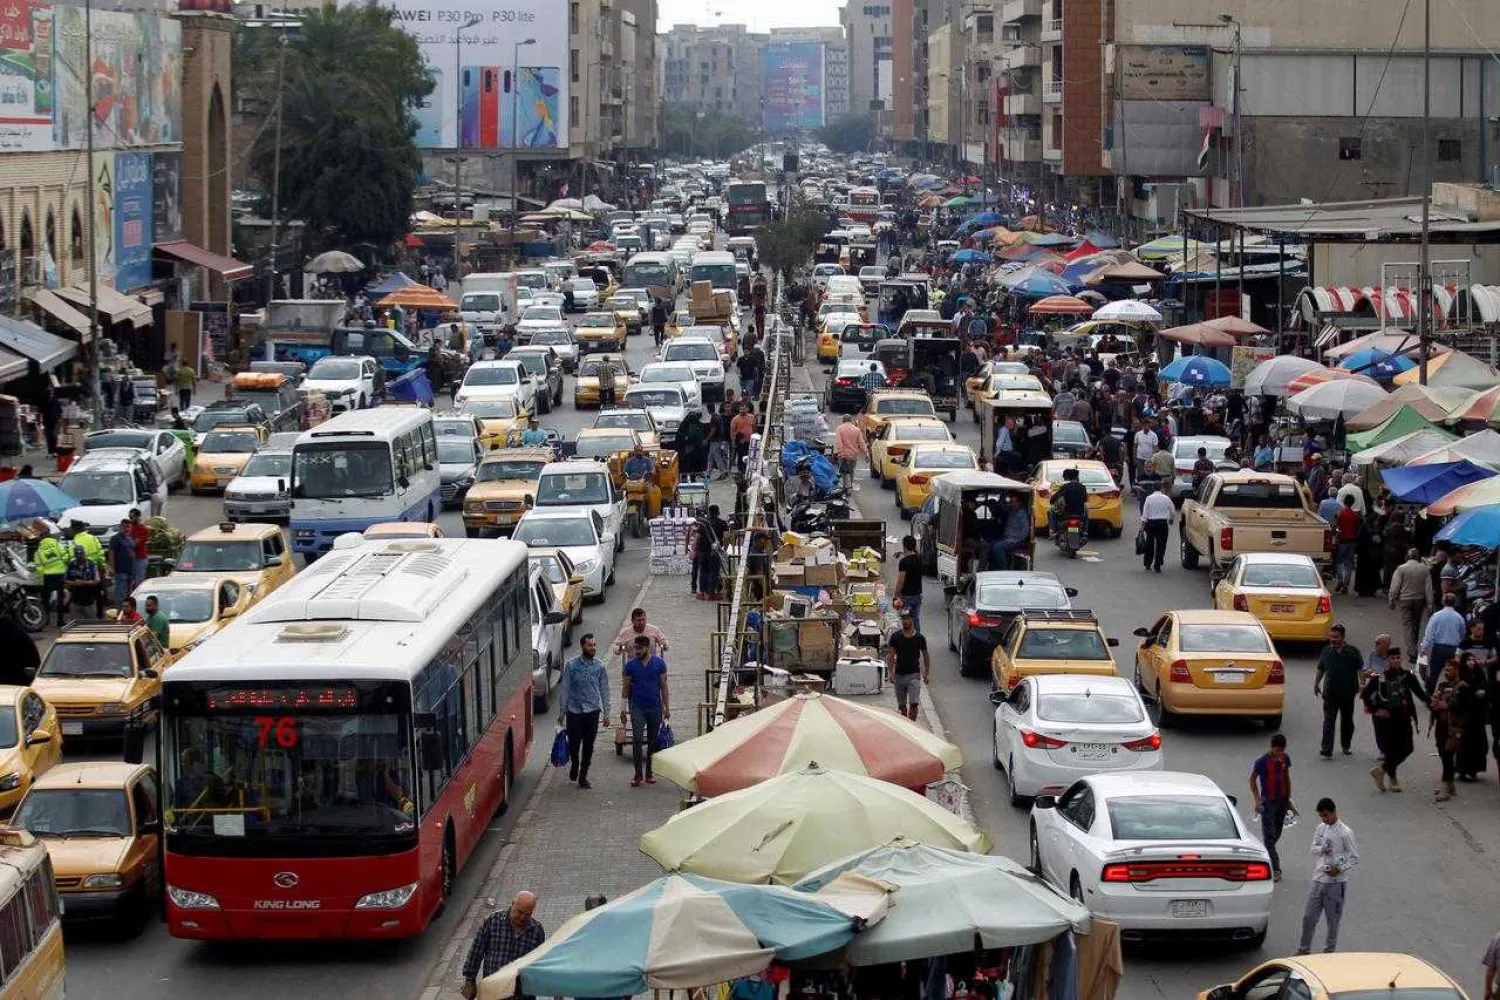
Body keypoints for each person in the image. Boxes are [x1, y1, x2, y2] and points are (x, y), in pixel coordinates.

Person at [1296, 797, 1358, 955]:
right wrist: (1322, 849)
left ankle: (1329, 952)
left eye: (1326, 815)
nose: (1324, 819)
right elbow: (1313, 848)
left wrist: (1339, 869)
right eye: (1321, 816)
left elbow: (1354, 857)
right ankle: (1304, 949)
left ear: (1333, 812)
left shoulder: (1345, 833)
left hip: (1335, 883)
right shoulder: (1321, 828)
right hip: (1318, 879)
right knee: (1309, 917)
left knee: (1333, 921)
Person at [1362, 646, 1428, 792]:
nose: (1396, 661)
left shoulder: (1407, 676)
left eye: (1398, 658)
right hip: (1387, 720)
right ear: (1387, 660)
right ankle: (1392, 779)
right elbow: (1365, 695)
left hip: (1404, 717)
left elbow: (1419, 693)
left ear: (1401, 659)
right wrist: (1376, 710)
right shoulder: (1380, 678)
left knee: (1408, 748)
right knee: (1391, 749)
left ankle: (1382, 770)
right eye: (1392, 658)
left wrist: (1432, 703)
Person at [460, 891, 545, 1000]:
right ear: (512, 903)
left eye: (528, 914)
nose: (522, 917)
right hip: (493, 991)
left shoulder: (537, 930)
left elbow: (539, 963)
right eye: (519, 912)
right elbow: (476, 952)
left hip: (521, 994)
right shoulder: (492, 921)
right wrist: (469, 980)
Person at [557, 634, 610, 789]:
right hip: (574, 711)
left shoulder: (599, 667)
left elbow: (604, 690)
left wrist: (607, 712)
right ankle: (574, 764)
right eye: (589, 645)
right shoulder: (571, 665)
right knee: (574, 743)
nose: (593, 648)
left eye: (594, 645)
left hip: (592, 711)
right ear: (582, 646)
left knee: (588, 745)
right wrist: (562, 712)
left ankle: (583, 776)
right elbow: (565, 688)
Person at [620, 635, 669, 787]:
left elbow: (664, 687)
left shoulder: (659, 664)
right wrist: (623, 710)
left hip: (654, 706)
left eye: (640, 648)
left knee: (652, 741)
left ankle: (649, 772)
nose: (637, 651)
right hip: (637, 707)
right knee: (637, 739)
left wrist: (667, 707)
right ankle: (637, 774)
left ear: (648, 648)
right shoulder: (630, 666)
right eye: (635, 648)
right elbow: (626, 688)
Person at [1249, 733, 1296, 881]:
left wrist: (1288, 800)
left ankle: (1264, 854)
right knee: (1269, 837)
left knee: (1277, 832)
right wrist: (1257, 800)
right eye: (1277, 751)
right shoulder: (1262, 761)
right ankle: (1276, 868)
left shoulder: (1285, 759)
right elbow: (1252, 780)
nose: (1279, 754)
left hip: (1282, 801)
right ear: (1271, 747)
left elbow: (1287, 778)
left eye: (1281, 751)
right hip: (1268, 802)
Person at [1315, 624, 1363, 758]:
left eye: (1336, 637)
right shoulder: (1326, 651)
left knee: (1347, 721)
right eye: (1331, 637)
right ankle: (1326, 748)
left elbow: (1360, 669)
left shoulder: (1353, 651)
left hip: (1348, 693)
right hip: (1330, 692)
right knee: (1329, 721)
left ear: (1343, 637)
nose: (1333, 639)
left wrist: (1362, 684)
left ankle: (1346, 745)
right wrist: (1316, 683)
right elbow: (1321, 668)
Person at [1430, 656, 1470, 802]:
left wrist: (1445, 705)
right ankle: (1450, 783)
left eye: (1450, 670)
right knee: (1442, 753)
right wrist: (1434, 702)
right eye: (1445, 670)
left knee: (1447, 754)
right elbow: (1434, 702)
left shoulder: (1462, 686)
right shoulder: (1442, 685)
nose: (1447, 672)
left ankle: (1445, 786)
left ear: (1457, 671)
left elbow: (1462, 706)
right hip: (1441, 723)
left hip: (1454, 726)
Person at [1388, 548, 1433, 663]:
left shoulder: (1401, 568)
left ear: (1408, 556)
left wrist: (1391, 599)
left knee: (1407, 625)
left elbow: (1395, 585)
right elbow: (1428, 588)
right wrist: (1430, 604)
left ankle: (1412, 651)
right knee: (1416, 624)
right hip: (1419, 600)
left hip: (1405, 600)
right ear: (1418, 557)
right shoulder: (1425, 569)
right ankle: (1414, 647)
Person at [885, 609, 930, 722]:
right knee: (902, 706)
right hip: (899, 675)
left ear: (912, 620)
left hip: (914, 675)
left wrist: (926, 673)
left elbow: (925, 655)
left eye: (907, 618)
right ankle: (905, 725)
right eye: (903, 619)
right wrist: (891, 673)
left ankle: (913, 725)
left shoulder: (919, 638)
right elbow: (891, 655)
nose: (905, 621)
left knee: (914, 704)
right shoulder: (896, 637)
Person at [1422, 593, 1467, 695]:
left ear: (1443, 602)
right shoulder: (1459, 617)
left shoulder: (1436, 616)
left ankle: (1429, 694)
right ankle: (1452, 694)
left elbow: (1429, 634)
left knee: (1433, 673)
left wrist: (1424, 648)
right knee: (1453, 673)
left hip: (1438, 648)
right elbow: (1463, 633)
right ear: (1455, 603)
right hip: (1453, 650)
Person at [991, 492, 1032, 570]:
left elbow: (1025, 530)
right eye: (1011, 502)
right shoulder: (1011, 511)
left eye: (1015, 502)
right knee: (991, 543)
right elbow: (1001, 504)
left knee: (997, 547)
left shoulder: (1022, 514)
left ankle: (1004, 569)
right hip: (1007, 539)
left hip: (1017, 541)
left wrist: (1016, 540)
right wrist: (1003, 492)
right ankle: (994, 567)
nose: (1012, 504)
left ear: (1019, 502)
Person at [1140, 483, 1174, 573]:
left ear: (1153, 488)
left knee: (1149, 543)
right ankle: (1158, 564)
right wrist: (1171, 519)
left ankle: (1147, 563)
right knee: (1161, 544)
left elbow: (1145, 513)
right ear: (1162, 488)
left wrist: (1143, 524)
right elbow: (1172, 510)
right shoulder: (1166, 498)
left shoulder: (1149, 498)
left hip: (1151, 523)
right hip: (1162, 523)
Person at [1332, 494, 1361, 595]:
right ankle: (1346, 584)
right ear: (1352, 503)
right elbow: (1357, 529)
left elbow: (1335, 526)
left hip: (1341, 540)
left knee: (1339, 561)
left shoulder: (1340, 513)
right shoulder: (1355, 516)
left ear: (1344, 502)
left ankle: (1339, 580)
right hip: (1352, 541)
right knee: (1349, 563)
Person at [1049, 466, 1088, 539]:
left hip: (1066, 513)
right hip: (1079, 513)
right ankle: (1085, 530)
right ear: (1077, 477)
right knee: (1086, 509)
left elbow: (1053, 499)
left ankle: (1054, 530)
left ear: (1069, 478)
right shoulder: (1082, 487)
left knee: (1051, 510)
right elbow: (1085, 499)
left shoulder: (1066, 487)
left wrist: (1052, 501)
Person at [894, 536, 924, 631]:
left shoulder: (904, 562)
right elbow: (912, 556)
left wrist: (895, 595)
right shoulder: (919, 559)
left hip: (906, 597)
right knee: (915, 619)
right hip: (917, 596)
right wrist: (901, 553)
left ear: (905, 546)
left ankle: (907, 641)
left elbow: (901, 581)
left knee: (905, 620)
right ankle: (917, 640)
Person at [107, 520, 138, 608]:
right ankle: (120, 611)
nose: (127, 529)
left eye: (128, 527)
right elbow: (111, 553)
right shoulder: (115, 538)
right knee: (121, 593)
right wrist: (112, 568)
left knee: (129, 593)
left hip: (130, 570)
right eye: (125, 527)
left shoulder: (130, 538)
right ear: (121, 527)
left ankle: (128, 611)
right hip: (120, 570)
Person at [833, 415, 867, 489]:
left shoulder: (840, 429)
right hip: (853, 455)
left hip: (844, 455)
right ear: (851, 420)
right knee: (851, 471)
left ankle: (847, 487)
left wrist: (839, 452)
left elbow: (839, 442)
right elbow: (861, 442)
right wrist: (866, 452)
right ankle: (850, 485)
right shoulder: (856, 429)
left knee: (844, 472)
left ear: (843, 420)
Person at [730, 402, 757, 475]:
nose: (742, 410)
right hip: (740, 441)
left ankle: (749, 470)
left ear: (747, 409)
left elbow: (754, 429)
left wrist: (755, 439)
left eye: (744, 409)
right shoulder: (735, 419)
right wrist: (733, 442)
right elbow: (732, 432)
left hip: (750, 441)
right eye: (741, 409)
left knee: (750, 456)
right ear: (739, 409)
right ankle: (741, 471)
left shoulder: (752, 417)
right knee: (741, 456)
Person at [127, 508, 150, 587]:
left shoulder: (143, 529)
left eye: (132, 517)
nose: (130, 519)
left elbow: (135, 544)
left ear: (138, 517)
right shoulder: (128, 527)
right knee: (131, 580)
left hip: (139, 558)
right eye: (129, 517)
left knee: (139, 581)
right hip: (130, 558)